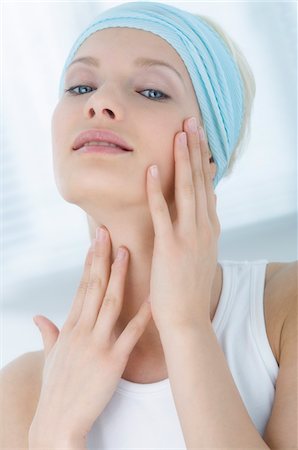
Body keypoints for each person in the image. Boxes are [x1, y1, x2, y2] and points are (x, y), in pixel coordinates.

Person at [1, 2, 296, 449]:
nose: (99, 102)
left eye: (152, 91)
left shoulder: (284, 310)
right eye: (80, 86)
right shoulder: (22, 393)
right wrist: (54, 434)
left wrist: (186, 326)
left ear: (210, 150)